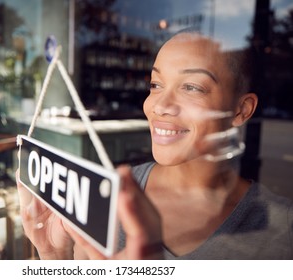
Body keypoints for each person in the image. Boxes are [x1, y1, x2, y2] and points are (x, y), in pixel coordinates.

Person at [16, 31, 293, 260]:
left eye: (191, 87)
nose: (158, 105)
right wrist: (55, 257)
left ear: (241, 110)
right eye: (156, 84)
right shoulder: (107, 194)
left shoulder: (283, 231)